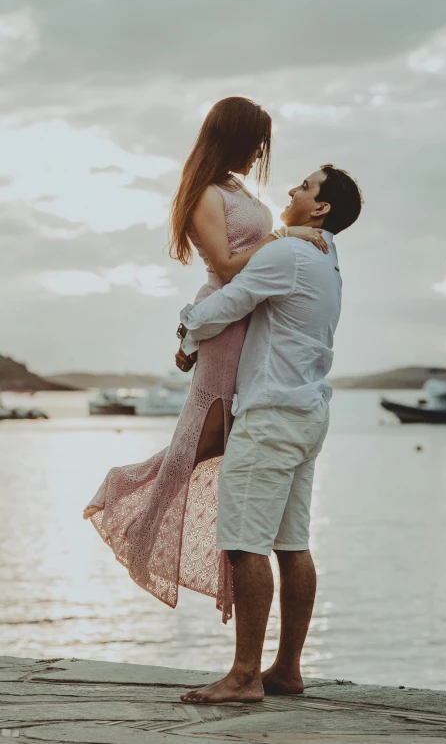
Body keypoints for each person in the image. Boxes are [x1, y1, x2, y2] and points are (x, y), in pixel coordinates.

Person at [82, 97, 326, 622]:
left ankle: (157, 501)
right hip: (225, 320)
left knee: (224, 439)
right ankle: (130, 496)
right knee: (209, 436)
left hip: (246, 321)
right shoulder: (205, 194)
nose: (262, 152)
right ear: (235, 136)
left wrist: (288, 239)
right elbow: (225, 264)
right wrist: (287, 236)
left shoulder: (239, 188)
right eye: (257, 141)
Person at [177, 164, 363, 703]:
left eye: (305, 187)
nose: (291, 189)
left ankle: (243, 676)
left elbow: (227, 303)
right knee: (291, 544)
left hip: (271, 416)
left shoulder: (288, 254)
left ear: (321, 208)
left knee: (243, 544)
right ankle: (286, 669)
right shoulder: (326, 258)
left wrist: (187, 330)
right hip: (306, 414)